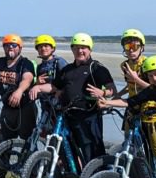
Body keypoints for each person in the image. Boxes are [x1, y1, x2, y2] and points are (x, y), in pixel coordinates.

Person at [31, 33, 115, 162]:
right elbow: (54, 87)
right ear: (72, 50)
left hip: (89, 116)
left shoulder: (97, 68)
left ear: (90, 49)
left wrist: (103, 93)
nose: (80, 51)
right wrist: (38, 87)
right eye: (76, 48)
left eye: (83, 48)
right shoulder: (67, 69)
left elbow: (112, 90)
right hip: (69, 116)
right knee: (68, 152)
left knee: (92, 154)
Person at [118, 28, 156, 159]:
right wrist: (115, 97)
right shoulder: (125, 65)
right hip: (132, 107)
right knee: (129, 142)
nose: (131, 49)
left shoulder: (148, 64)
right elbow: (130, 86)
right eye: (127, 45)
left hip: (150, 109)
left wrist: (136, 78)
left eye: (134, 45)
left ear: (142, 47)